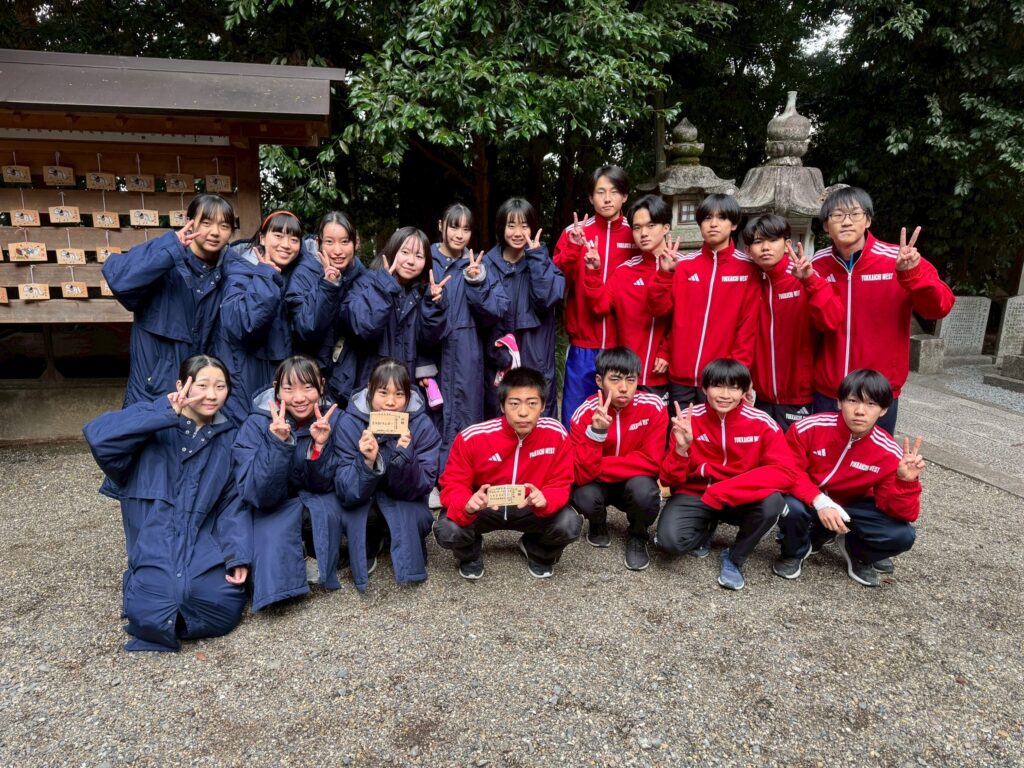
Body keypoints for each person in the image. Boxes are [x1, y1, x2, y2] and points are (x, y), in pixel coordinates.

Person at [82, 355, 251, 652]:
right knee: (151, 607)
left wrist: (237, 555)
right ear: (181, 385)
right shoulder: (152, 425)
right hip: (153, 542)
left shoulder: (230, 438)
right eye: (202, 385)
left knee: (219, 602)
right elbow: (99, 439)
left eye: (220, 386)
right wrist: (164, 411)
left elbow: (232, 506)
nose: (212, 395)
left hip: (202, 541)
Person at [810, 187, 956, 434]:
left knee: (873, 457)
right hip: (829, 391)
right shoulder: (817, 264)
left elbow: (940, 306)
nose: (846, 221)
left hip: (876, 392)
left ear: (867, 220)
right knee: (824, 455)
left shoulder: (897, 259)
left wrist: (912, 275)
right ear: (826, 225)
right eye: (837, 215)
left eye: (855, 214)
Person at [776, 369, 925, 586]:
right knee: (788, 506)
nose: (860, 411)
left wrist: (906, 482)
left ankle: (856, 551)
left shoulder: (889, 452)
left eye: (871, 404)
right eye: (853, 401)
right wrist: (820, 501)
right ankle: (794, 551)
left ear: (884, 410)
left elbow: (903, 514)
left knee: (902, 535)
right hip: (809, 500)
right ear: (839, 402)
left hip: (851, 508)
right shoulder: (808, 428)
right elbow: (788, 471)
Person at [656, 359, 793, 591]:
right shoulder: (687, 420)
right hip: (697, 493)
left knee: (773, 502)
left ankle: (734, 557)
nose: (725, 395)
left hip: (740, 496)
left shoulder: (762, 423)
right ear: (705, 388)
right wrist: (681, 450)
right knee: (669, 543)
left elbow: (785, 472)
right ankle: (706, 526)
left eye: (734, 388)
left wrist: (724, 490)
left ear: (744, 392)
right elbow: (668, 480)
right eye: (718, 386)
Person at [434, 367, 582, 580]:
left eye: (532, 403)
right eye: (514, 403)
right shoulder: (472, 438)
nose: (523, 412)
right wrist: (467, 504)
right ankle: (470, 553)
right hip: (485, 507)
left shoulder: (556, 435)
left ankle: (538, 550)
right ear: (502, 406)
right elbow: (453, 484)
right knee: (448, 528)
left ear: (543, 406)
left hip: (530, 507)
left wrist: (546, 499)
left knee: (569, 523)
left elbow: (561, 482)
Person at [232, 356, 343, 611]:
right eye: (289, 389)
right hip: (273, 503)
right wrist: (276, 444)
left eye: (308, 387)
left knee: (333, 510)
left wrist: (319, 447)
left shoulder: (335, 418)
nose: (299, 398)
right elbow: (257, 494)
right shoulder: (257, 423)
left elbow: (328, 484)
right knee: (270, 533)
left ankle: (321, 555)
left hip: (318, 499)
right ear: (276, 389)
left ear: (321, 386)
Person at [102, 194, 235, 406]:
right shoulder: (164, 261)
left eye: (224, 226)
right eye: (206, 223)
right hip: (152, 391)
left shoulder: (228, 273)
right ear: (190, 222)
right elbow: (119, 279)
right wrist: (170, 247)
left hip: (201, 392)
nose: (215, 232)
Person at [332, 358, 441, 590]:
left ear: (408, 396)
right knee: (353, 516)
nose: (391, 402)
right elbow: (345, 490)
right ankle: (372, 541)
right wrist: (366, 462)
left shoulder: (421, 424)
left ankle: (399, 539)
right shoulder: (349, 423)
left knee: (417, 517)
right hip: (365, 501)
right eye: (383, 393)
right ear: (370, 390)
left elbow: (424, 484)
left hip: (405, 499)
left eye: (399, 394)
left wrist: (405, 457)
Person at [647, 193, 761, 410]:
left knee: (717, 432)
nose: (713, 224)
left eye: (721, 218)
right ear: (699, 224)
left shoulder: (747, 269)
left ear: (734, 224)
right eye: (707, 218)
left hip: (721, 380)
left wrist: (738, 373)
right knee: (679, 429)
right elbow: (661, 311)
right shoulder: (684, 265)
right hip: (680, 376)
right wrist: (664, 274)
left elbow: (747, 329)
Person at [553, 165, 639, 427]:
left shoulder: (637, 234)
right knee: (575, 417)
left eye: (614, 192)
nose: (607, 198)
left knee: (618, 420)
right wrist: (572, 247)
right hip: (583, 344)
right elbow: (557, 281)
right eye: (600, 192)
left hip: (621, 345)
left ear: (625, 196)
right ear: (591, 197)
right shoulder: (574, 232)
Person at [569, 347, 667, 570]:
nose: (624, 387)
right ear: (599, 381)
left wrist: (598, 466)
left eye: (631, 380)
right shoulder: (584, 413)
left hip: (632, 482)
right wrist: (596, 434)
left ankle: (638, 536)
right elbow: (580, 474)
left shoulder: (653, 407)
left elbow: (652, 462)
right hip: (599, 485)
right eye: (615, 379)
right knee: (583, 494)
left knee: (646, 492)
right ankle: (598, 523)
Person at [742, 213, 842, 429]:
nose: (765, 247)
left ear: (787, 244)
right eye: (758, 242)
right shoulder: (751, 282)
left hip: (799, 396)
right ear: (748, 250)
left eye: (772, 240)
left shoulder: (804, 276)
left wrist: (811, 281)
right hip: (761, 396)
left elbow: (832, 320)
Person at [427, 204, 509, 468]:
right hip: (432, 353)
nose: (459, 234)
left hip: (468, 354)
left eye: (466, 229)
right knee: (432, 416)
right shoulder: (425, 259)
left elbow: (497, 310)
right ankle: (432, 475)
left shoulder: (479, 265)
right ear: (441, 225)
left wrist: (477, 282)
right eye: (454, 227)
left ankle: (462, 476)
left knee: (467, 414)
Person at [286, 211, 388, 409]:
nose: (337, 250)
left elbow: (364, 329)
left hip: (350, 379)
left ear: (356, 243)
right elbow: (306, 330)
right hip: (310, 380)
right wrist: (328, 285)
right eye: (329, 242)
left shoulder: (364, 277)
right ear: (319, 243)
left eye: (345, 241)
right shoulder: (304, 273)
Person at [216, 210, 304, 425]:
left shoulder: (293, 274)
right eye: (278, 236)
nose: (286, 245)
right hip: (243, 371)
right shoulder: (239, 271)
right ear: (262, 238)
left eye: (294, 240)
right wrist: (265, 274)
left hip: (276, 372)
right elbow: (246, 323)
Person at [583, 194, 674, 399]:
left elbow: (688, 320)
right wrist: (593, 272)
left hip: (664, 375)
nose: (643, 233)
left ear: (666, 228)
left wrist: (666, 351)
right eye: (637, 227)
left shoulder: (683, 268)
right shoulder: (624, 271)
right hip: (627, 377)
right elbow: (600, 306)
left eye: (651, 226)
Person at [482, 198, 564, 418]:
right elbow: (481, 316)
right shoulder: (486, 265)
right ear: (501, 227)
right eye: (511, 225)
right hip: (499, 359)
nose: (518, 233)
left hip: (536, 356)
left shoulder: (543, 262)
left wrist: (536, 259)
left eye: (524, 225)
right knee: (500, 416)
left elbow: (546, 299)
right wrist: (495, 352)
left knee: (538, 417)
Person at [363, 227, 449, 395]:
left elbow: (429, 340)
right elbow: (364, 328)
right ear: (393, 250)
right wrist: (383, 288)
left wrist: (433, 304)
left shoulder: (422, 292)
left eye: (419, 256)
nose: (411, 261)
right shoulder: (367, 282)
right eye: (405, 252)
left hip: (406, 384)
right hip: (372, 383)